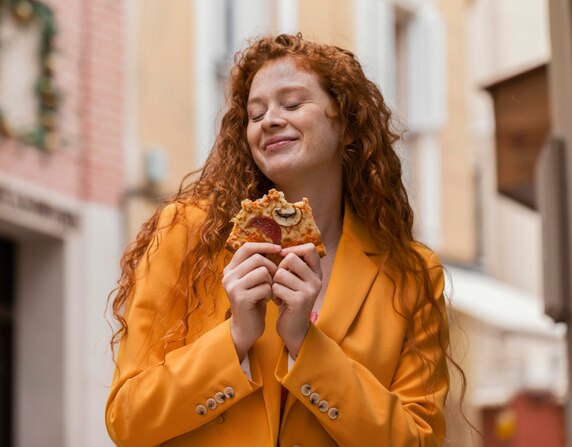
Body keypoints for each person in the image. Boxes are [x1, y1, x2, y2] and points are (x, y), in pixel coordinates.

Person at [105, 33, 452, 447]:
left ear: (345, 123)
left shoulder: (411, 274)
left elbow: (417, 441)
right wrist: (234, 337)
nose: (269, 119)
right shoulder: (185, 234)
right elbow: (128, 420)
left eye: (291, 104)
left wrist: (307, 345)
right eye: (255, 113)